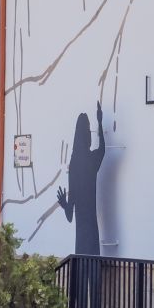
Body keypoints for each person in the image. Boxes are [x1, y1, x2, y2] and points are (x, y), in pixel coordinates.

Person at [56, 102, 106, 258]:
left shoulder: (75, 165)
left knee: (82, 275)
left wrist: (64, 204)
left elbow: (70, 216)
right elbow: (102, 150)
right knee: (94, 271)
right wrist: (100, 122)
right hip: (92, 229)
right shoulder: (91, 161)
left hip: (81, 234)